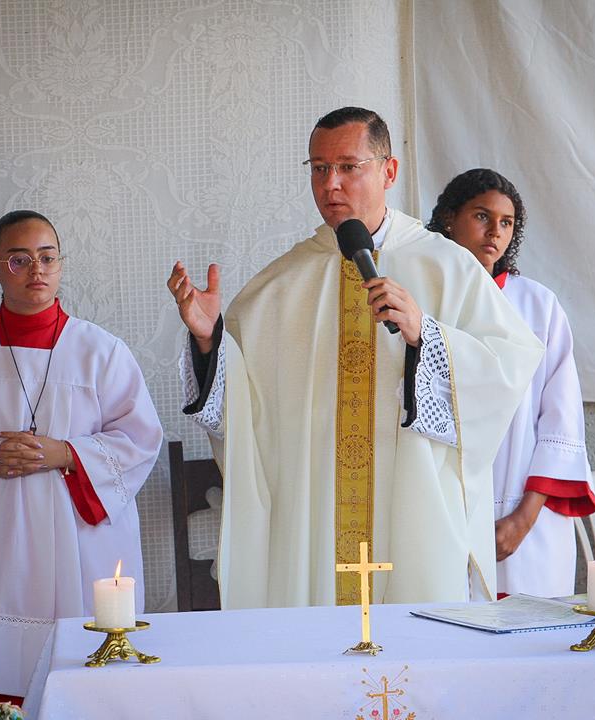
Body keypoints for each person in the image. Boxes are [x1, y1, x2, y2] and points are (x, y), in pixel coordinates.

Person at [168, 108, 543, 609]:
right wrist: (209, 341)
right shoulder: (279, 285)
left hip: (412, 513)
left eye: (348, 166)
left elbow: (509, 366)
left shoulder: (448, 266)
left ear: (389, 171)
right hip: (313, 522)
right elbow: (240, 415)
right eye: (319, 169)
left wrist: (427, 336)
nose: (331, 184)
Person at [0, 210, 162, 701]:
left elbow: (140, 438)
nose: (36, 270)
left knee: (78, 676)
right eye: (19, 260)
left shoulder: (101, 351)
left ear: (60, 264)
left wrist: (66, 453)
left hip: (77, 536)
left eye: (47, 257)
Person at [428, 168, 595, 597]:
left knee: (526, 631)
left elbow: (560, 422)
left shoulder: (537, 306)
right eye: (481, 216)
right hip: (438, 514)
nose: (495, 232)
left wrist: (522, 520)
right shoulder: (422, 299)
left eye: (506, 222)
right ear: (449, 218)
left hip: (524, 520)